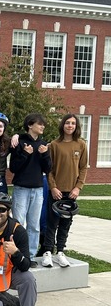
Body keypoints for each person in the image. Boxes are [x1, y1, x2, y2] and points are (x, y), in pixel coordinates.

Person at [41, 114, 87, 268]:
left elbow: (83, 168)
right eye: (67, 122)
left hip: (71, 193)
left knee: (66, 224)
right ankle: (48, 251)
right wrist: (53, 187)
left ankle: (60, 251)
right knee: (52, 223)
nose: (70, 126)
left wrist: (77, 188)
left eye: (73, 123)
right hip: (56, 192)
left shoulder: (81, 145)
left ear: (76, 126)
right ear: (63, 125)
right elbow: (50, 169)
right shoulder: (54, 145)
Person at [10, 113, 52, 267]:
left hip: (38, 190)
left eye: (43, 124)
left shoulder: (43, 144)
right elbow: (13, 167)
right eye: (40, 124)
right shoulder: (19, 142)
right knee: (19, 224)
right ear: (30, 125)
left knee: (34, 225)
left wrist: (45, 155)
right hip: (21, 188)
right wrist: (24, 154)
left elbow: (48, 169)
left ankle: (30, 256)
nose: (42, 126)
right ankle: (17, 254)